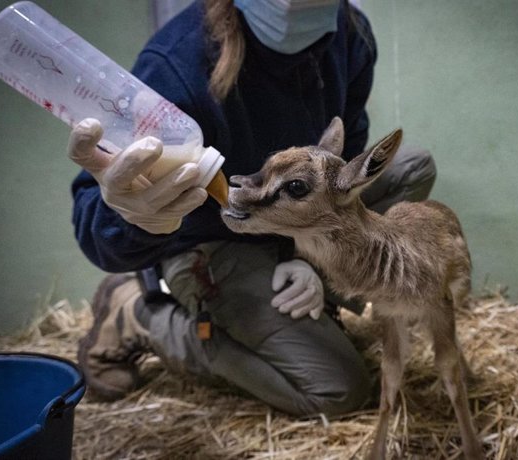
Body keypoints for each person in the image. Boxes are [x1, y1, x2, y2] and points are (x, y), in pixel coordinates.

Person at [69, 0, 437, 417]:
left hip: (295, 218)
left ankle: (312, 295)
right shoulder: (176, 64)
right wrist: (127, 214)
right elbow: (98, 233)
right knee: (340, 390)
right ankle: (142, 316)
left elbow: (347, 149)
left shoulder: (349, 34)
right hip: (215, 236)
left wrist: (306, 260)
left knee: (411, 167)